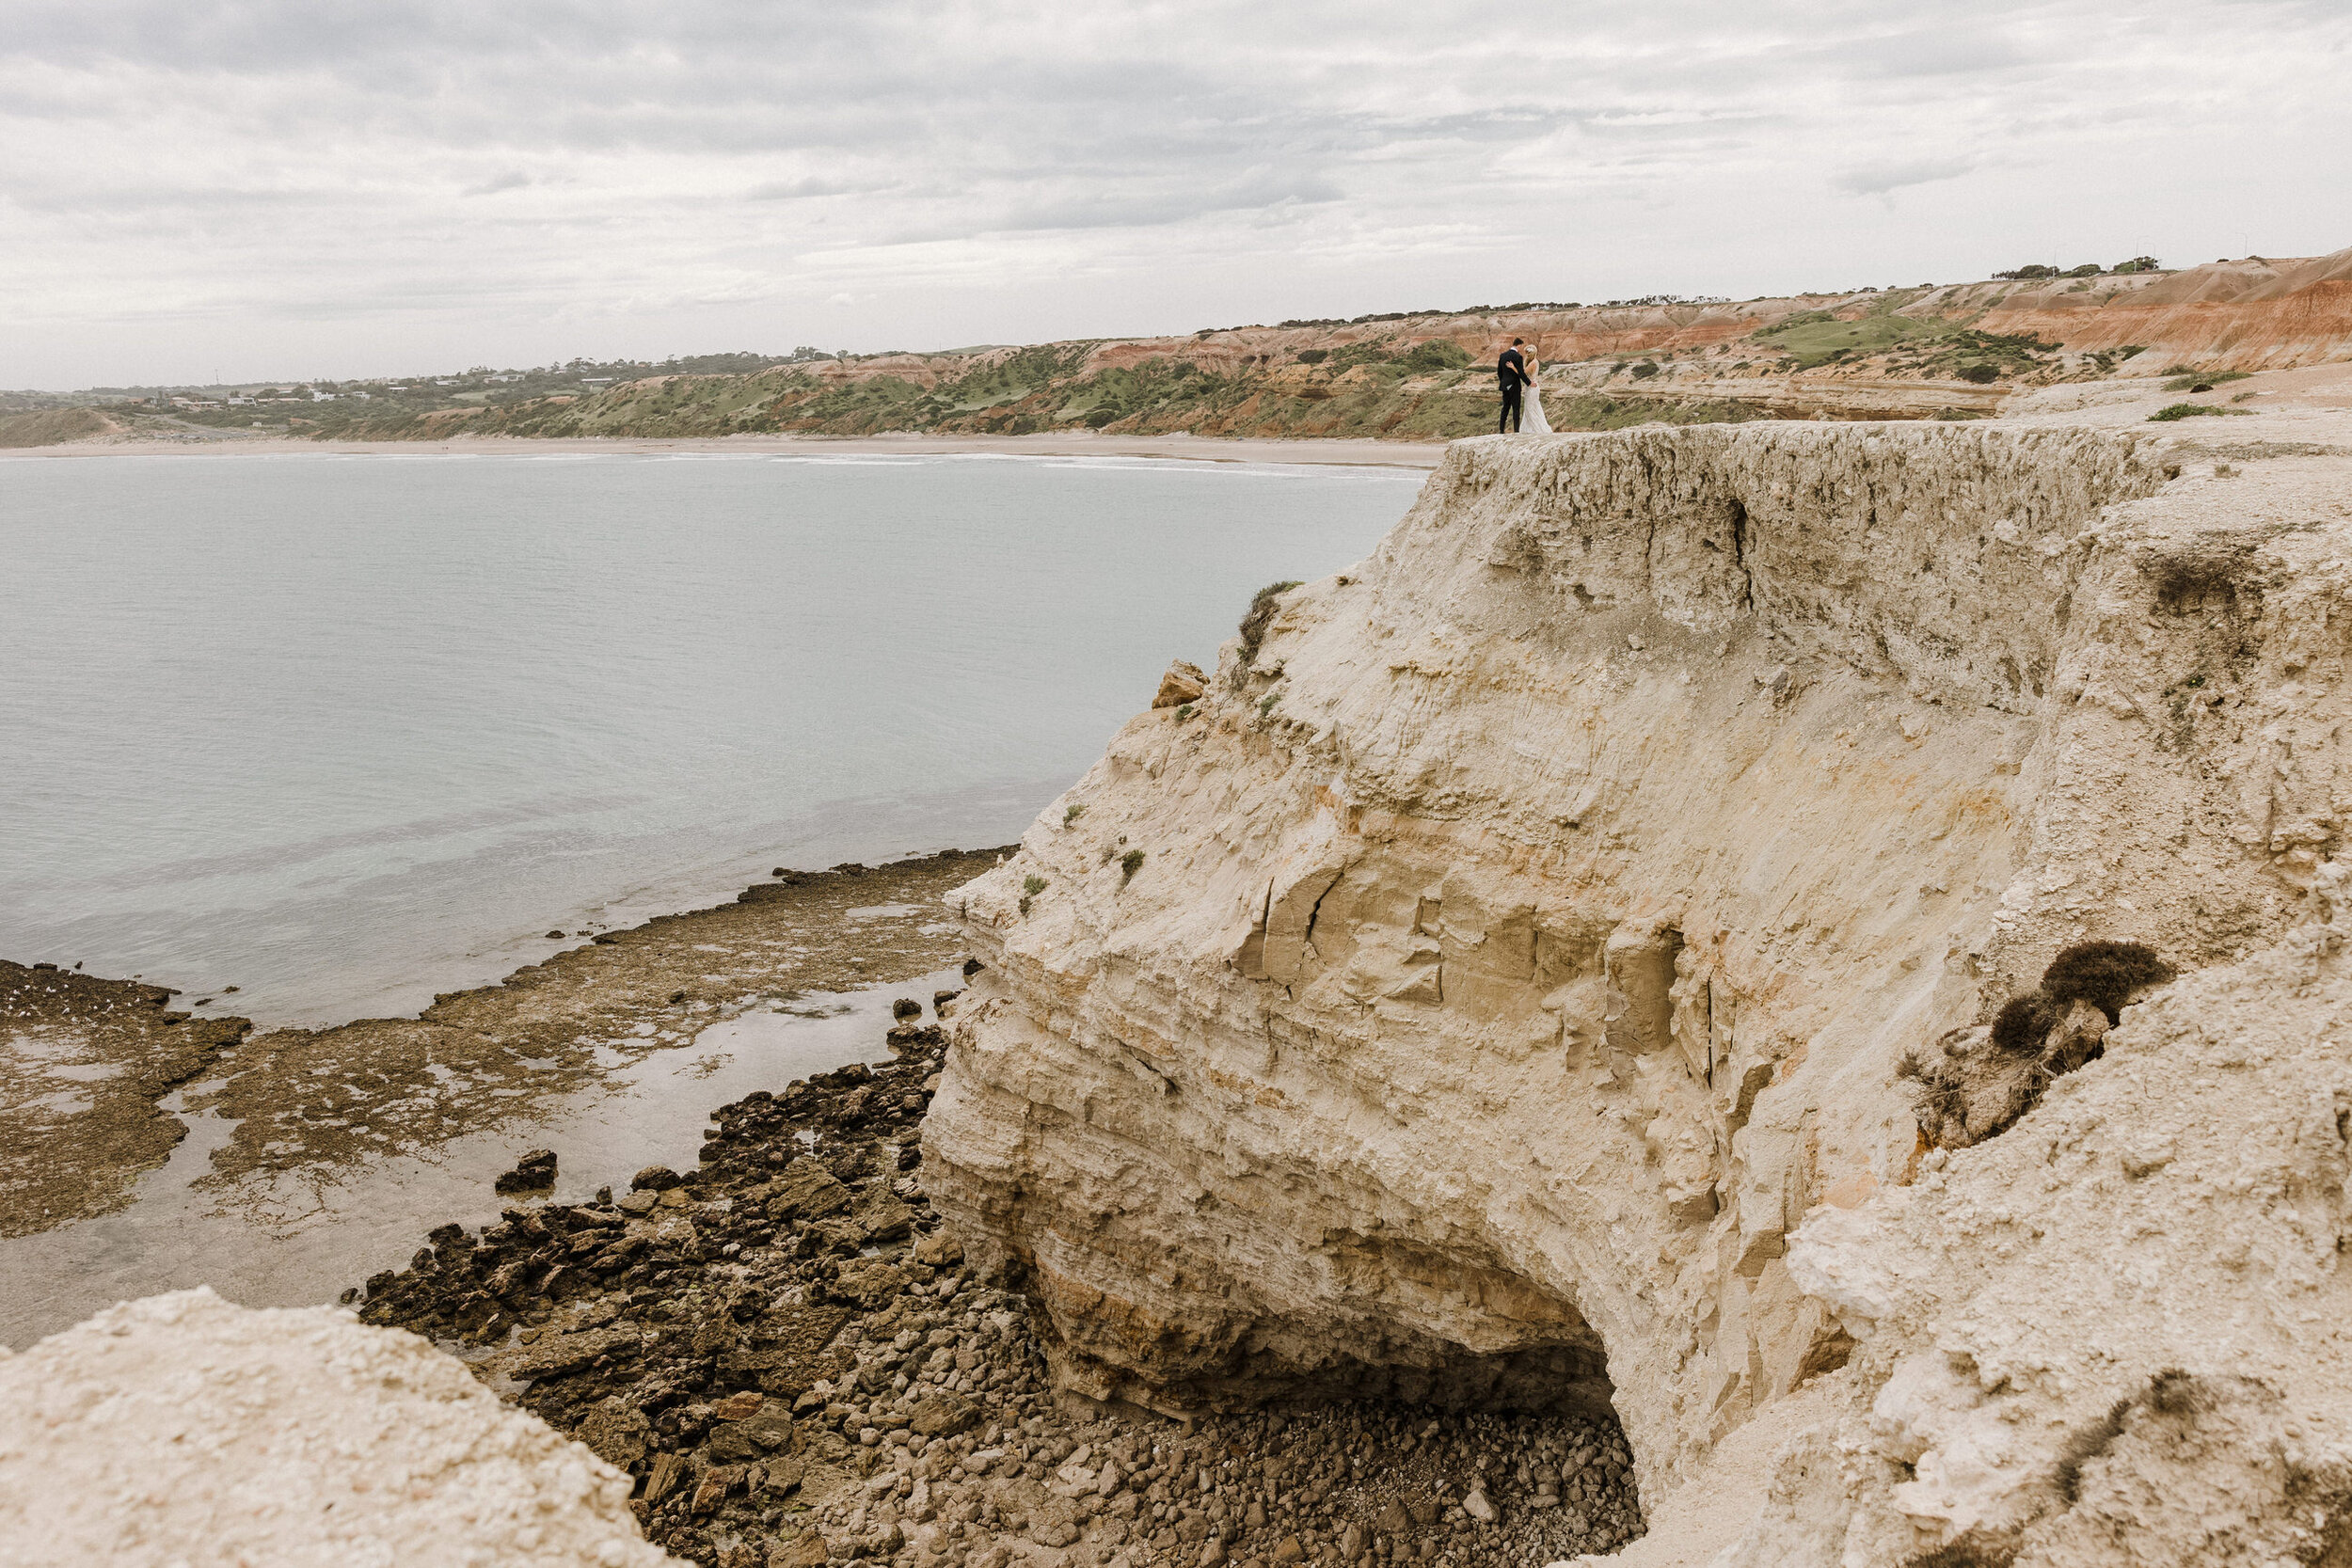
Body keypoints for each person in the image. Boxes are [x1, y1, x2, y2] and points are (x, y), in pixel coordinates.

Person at [1497, 339, 1528, 433]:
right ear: (1519, 345)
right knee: (1516, 408)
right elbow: (1521, 373)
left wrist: (1504, 382)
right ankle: (1516, 431)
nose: (1521, 349)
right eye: (1521, 347)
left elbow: (1499, 372)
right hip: (1514, 386)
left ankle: (1501, 430)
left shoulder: (1502, 355)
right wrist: (1529, 383)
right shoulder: (1518, 357)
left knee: (1505, 408)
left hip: (1505, 385)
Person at [1521, 348, 1551, 435]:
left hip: (1532, 387)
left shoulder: (1533, 363)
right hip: (1532, 386)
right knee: (1532, 406)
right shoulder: (1535, 361)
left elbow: (1523, 373)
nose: (1526, 355)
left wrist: (1515, 367)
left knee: (1531, 407)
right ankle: (1530, 427)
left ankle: (1535, 428)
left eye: (1527, 353)